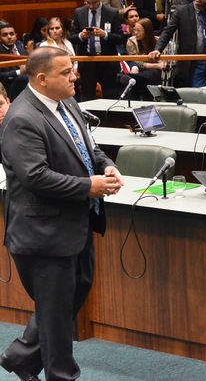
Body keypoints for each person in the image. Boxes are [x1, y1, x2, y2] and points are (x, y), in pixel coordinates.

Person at [0, 46, 124, 381]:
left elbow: (88, 147)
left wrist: (106, 165)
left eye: (73, 69)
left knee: (66, 300)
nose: (74, 77)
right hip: (42, 233)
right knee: (55, 315)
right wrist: (88, 186)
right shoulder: (22, 119)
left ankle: (21, 357)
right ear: (42, 79)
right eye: (66, 72)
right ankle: (61, 376)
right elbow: (35, 176)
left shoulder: (66, 102)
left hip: (74, 224)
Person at [149, 0, 206, 88]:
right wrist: (158, 49)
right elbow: (168, 31)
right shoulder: (182, 11)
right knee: (200, 94)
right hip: (194, 62)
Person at [70, 0, 125, 101]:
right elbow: (72, 37)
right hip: (87, 61)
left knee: (110, 98)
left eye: (94, 2)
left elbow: (120, 38)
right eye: (87, 2)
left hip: (107, 62)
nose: (90, 6)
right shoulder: (79, 12)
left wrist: (105, 35)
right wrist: (81, 36)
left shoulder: (112, 12)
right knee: (87, 98)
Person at [125, 18, 165, 91]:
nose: (135, 33)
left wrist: (159, 65)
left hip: (156, 70)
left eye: (139, 30)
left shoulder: (158, 41)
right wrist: (157, 65)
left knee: (153, 73)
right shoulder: (131, 41)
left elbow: (163, 61)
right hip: (139, 68)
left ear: (147, 31)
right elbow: (137, 61)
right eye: (134, 30)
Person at [0, 21, 29, 101]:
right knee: (23, 78)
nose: (9, 37)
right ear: (0, 38)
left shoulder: (23, 51)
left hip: (28, 86)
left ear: (16, 36)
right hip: (9, 88)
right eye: (5, 35)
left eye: (11, 34)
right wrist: (19, 72)